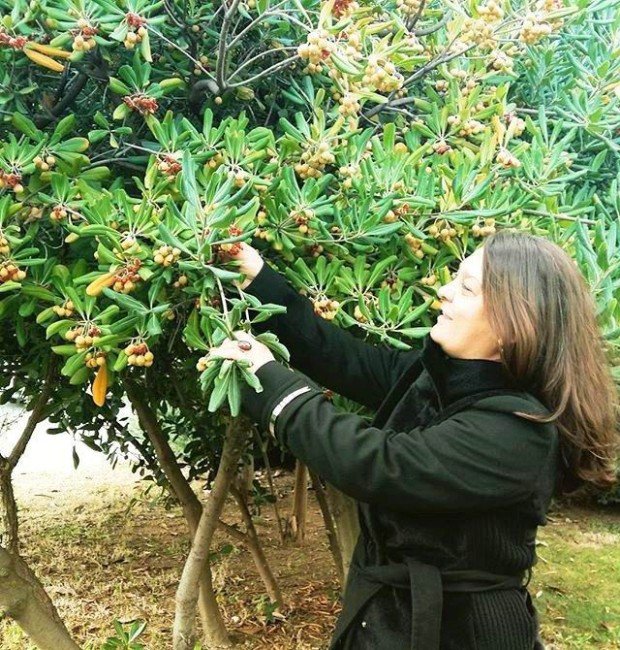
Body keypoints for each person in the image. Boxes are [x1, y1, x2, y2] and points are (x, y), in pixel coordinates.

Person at [208, 229, 618, 650]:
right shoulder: (443, 379)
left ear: (517, 322)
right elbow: (345, 359)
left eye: (466, 287)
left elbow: (379, 465)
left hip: (462, 634)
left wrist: (271, 383)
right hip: (389, 619)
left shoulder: (518, 432)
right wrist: (258, 277)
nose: (442, 292)